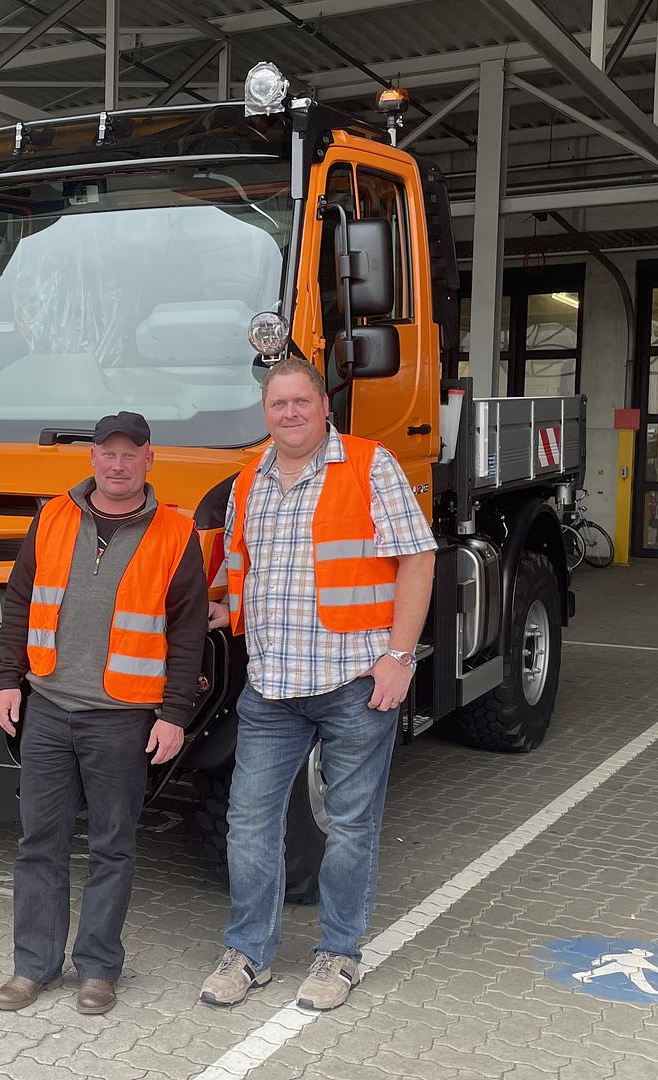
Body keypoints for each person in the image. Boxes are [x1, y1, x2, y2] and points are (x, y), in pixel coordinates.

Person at [201, 358, 436, 1012]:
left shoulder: (369, 465)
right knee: (248, 825)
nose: (290, 414)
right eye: (278, 404)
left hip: (353, 683)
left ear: (324, 405)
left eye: (301, 401)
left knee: (351, 827)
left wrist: (399, 656)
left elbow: (418, 558)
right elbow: (253, 569)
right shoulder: (248, 481)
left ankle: (339, 954)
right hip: (271, 687)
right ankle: (249, 953)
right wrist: (229, 609)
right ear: (265, 412)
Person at [0, 411, 208, 1015]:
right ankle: (33, 967)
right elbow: (19, 601)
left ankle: (98, 969)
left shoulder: (176, 532)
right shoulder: (52, 517)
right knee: (40, 841)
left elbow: (188, 630)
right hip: (48, 707)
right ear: (91, 458)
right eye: (107, 453)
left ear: (148, 459)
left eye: (129, 454)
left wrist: (174, 714)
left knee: (114, 845)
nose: (117, 465)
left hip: (122, 716)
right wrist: (9, 681)